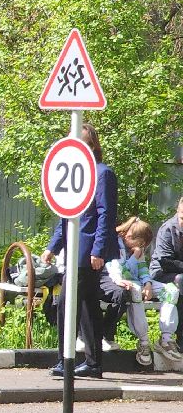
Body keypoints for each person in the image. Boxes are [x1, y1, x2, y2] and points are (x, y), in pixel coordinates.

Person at [41, 123, 117, 379]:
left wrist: (98, 250)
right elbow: (67, 215)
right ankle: (92, 363)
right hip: (73, 252)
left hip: (87, 253)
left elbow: (106, 215)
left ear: (92, 145)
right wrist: (53, 246)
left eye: (81, 142)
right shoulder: (78, 175)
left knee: (68, 305)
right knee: (85, 307)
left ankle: (68, 361)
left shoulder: (102, 174)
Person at [101, 217, 154, 367]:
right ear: (129, 237)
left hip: (132, 280)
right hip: (111, 277)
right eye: (141, 243)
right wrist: (135, 257)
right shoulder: (116, 244)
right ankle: (107, 335)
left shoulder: (136, 247)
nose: (141, 247)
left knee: (170, 291)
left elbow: (143, 267)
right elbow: (120, 268)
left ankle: (166, 341)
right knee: (128, 293)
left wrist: (147, 282)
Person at [148, 195, 183, 363]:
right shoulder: (168, 229)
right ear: (178, 211)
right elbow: (165, 262)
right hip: (162, 274)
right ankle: (179, 337)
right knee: (181, 281)